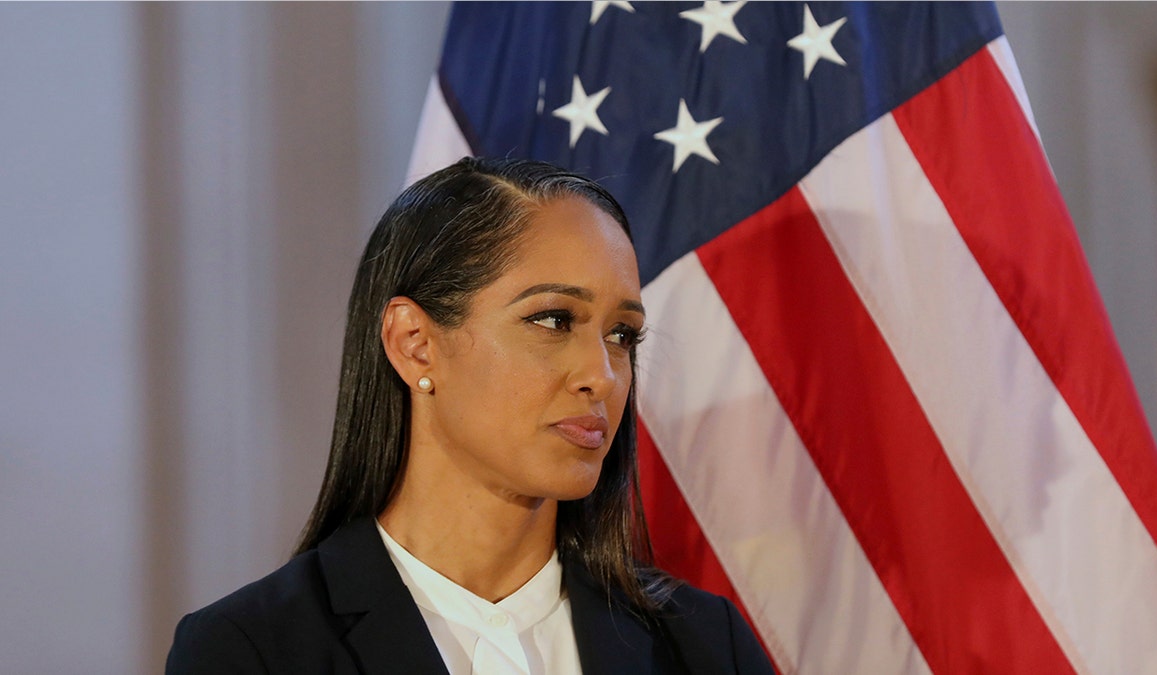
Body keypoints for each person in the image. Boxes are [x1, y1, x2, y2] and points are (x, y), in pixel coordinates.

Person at [165, 157, 775, 674]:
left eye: (622, 334)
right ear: (414, 343)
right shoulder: (253, 652)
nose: (604, 375)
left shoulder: (705, 648)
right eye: (554, 320)